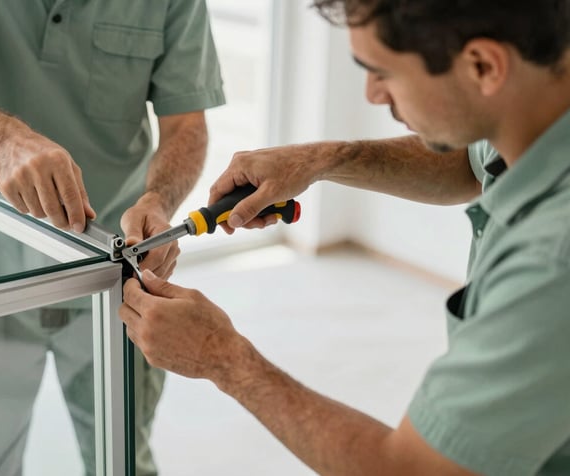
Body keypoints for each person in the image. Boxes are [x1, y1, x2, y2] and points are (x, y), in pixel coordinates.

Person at [120, 0, 570, 474]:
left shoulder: (550, 261)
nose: (373, 94)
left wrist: (220, 356)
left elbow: (413, 470)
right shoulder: (536, 105)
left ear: (482, 65)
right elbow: (471, 163)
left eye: (382, 72)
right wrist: (325, 159)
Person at [0, 1, 224, 475]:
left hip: (116, 282)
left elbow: (187, 124)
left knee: (122, 462)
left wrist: (158, 202)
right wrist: (3, 140)